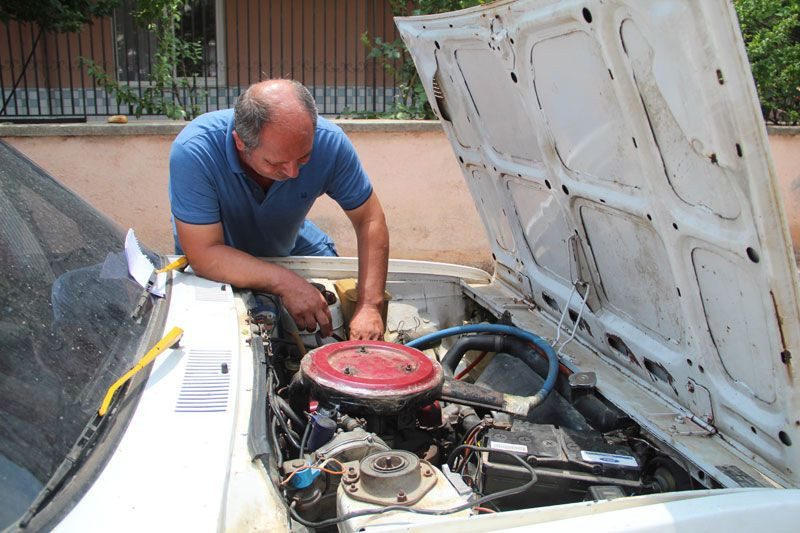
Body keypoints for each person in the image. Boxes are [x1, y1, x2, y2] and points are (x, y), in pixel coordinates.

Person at [168, 79, 389, 340]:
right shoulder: (195, 151)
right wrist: (287, 283)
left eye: (304, 158)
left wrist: (369, 305)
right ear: (240, 143)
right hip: (216, 261)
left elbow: (369, 219)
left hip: (289, 243)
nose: (293, 172)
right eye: (276, 163)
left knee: (333, 309)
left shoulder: (330, 143)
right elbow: (205, 254)